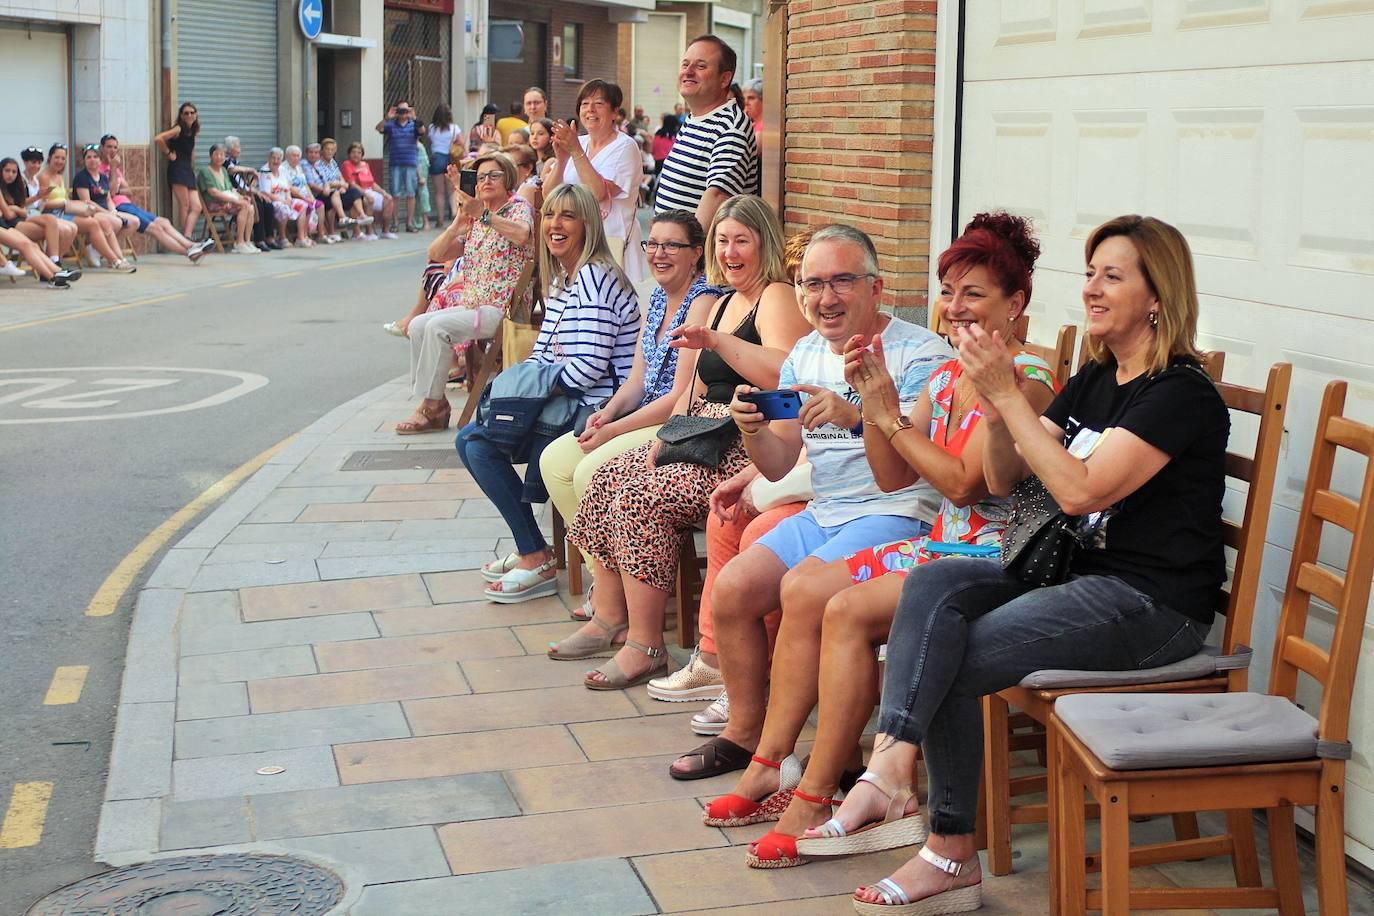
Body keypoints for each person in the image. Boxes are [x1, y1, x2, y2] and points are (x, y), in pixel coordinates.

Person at [829, 215, 1227, 914]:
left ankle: (943, 843)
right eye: (1090, 274)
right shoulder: (1098, 380)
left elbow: (1079, 491)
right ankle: (898, 766)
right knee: (935, 582)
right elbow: (1009, 480)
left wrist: (1009, 394)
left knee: (956, 647)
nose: (1092, 291)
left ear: (1158, 295)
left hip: (1153, 604)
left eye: (1112, 275)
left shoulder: (1179, 393)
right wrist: (993, 408)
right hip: (1077, 578)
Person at [718, 214, 1059, 871]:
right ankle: (777, 765)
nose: (955, 309)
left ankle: (816, 793)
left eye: (974, 294)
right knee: (812, 596)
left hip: (995, 557)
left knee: (837, 604)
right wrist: (882, 413)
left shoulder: (1029, 376)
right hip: (942, 547)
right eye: (949, 292)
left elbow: (964, 485)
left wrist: (876, 414)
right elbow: (892, 469)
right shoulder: (943, 378)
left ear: (1016, 305)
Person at [670, 225, 955, 791]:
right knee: (731, 590)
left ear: (877, 288)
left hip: (898, 512)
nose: (826, 298)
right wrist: (751, 432)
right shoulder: (804, 353)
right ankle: (746, 732)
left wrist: (860, 414)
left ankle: (803, 757)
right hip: (826, 512)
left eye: (842, 281)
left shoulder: (920, 352)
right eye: (812, 284)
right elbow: (779, 463)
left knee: (804, 586)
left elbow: (924, 463)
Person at [560, 195, 811, 688]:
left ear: (765, 243)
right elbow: (691, 389)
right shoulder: (719, 303)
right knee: (609, 477)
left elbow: (787, 373)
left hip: (746, 440)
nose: (731, 250)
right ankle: (612, 617)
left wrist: (721, 344)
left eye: (742, 240)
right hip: (699, 434)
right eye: (723, 240)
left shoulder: (775, 296)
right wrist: (666, 438)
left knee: (638, 497)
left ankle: (646, 647)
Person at [643, 227, 814, 713]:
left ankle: (754, 684)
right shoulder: (813, 347)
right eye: (807, 284)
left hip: (837, 493)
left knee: (756, 528)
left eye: (831, 284)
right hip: (767, 455)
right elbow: (790, 433)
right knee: (726, 509)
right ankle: (720, 665)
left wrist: (759, 478)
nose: (814, 298)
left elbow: (847, 450)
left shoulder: (873, 351)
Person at [458, 183, 640, 605]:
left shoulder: (596, 278)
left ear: (588, 225)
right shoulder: (563, 279)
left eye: (568, 216)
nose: (555, 225)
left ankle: (535, 555)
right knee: (471, 439)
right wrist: (526, 388)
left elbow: (588, 369)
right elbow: (543, 353)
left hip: (597, 406)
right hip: (564, 401)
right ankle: (533, 548)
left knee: (479, 445)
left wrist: (530, 393)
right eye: (550, 215)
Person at [540, 210, 721, 576]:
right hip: (641, 415)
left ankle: (623, 584)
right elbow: (637, 381)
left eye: (672, 245)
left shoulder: (703, 302)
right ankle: (606, 579)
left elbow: (679, 397)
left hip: (677, 423)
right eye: (652, 244)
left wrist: (613, 430)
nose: (659, 253)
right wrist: (608, 412)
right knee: (554, 461)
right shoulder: (657, 298)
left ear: (696, 253)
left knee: (588, 470)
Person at [394, 153, 535, 435]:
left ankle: (431, 407)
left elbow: (521, 235)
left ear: (507, 178)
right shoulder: (475, 218)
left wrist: (482, 214)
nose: (486, 182)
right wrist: (457, 224)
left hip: (503, 308)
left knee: (436, 326)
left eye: (494, 175)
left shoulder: (517, 207)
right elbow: (435, 254)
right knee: (420, 324)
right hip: (472, 305)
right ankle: (434, 402)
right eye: (480, 177)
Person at [545, 79, 647, 282]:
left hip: (609, 245)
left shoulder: (625, 147)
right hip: (574, 244)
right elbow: (549, 195)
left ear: (615, 112)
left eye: (599, 104)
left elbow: (598, 193)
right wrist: (562, 160)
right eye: (584, 104)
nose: (590, 109)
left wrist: (574, 151)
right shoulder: (579, 142)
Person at [654, 36, 758, 230]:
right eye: (685, 64)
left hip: (694, 256)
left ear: (724, 78)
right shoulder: (693, 120)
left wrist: (688, 253)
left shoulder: (731, 126)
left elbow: (718, 196)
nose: (688, 71)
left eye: (700, 66)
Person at [76, 143, 212, 262]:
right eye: (108, 147)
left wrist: (117, 186)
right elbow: (110, 193)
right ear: (103, 148)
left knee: (164, 222)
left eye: (115, 147)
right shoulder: (101, 170)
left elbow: (128, 190)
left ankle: (190, 245)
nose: (112, 150)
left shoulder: (112, 170)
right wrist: (113, 175)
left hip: (124, 204)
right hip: (118, 206)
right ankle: (189, 252)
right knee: (155, 228)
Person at [38, 144, 132, 272]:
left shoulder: (60, 176)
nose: (60, 161)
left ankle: (115, 258)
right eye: (57, 158)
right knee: (95, 223)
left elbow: (108, 198)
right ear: (49, 158)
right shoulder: (44, 177)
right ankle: (114, 260)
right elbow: (43, 204)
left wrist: (71, 205)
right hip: (52, 214)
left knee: (95, 223)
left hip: (64, 212)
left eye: (63, 158)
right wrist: (64, 203)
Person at [1, 153, 76, 263]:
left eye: (13, 172)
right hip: (11, 224)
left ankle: (54, 260)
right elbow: (8, 214)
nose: (10, 175)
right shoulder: (22, 182)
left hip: (26, 215)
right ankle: (52, 264)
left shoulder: (17, 186)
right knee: (57, 229)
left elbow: (21, 208)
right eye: (7, 171)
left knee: (51, 220)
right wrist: (17, 209)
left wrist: (16, 208)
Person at [155, 101, 203, 239]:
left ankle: (187, 234)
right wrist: (169, 153)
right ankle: (185, 237)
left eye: (192, 113)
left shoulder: (193, 130)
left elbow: (191, 150)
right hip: (177, 168)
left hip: (187, 169)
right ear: (181, 115)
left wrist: (193, 166)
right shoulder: (178, 129)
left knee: (196, 206)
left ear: (196, 115)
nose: (189, 115)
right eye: (186, 113)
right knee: (185, 204)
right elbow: (159, 138)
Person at [197, 144, 258, 254]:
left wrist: (241, 196)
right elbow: (213, 192)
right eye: (217, 154)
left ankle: (247, 241)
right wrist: (236, 201)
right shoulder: (205, 171)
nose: (219, 157)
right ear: (211, 156)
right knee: (243, 206)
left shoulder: (224, 171)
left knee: (250, 207)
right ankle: (238, 243)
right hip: (214, 202)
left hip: (227, 200)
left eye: (222, 155)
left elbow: (230, 189)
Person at [376, 101, 425, 234]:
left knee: (410, 194)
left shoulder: (414, 125)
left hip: (410, 162)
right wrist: (388, 117)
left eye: (405, 110)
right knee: (395, 194)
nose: (403, 114)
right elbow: (379, 128)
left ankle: (409, 223)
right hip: (395, 163)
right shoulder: (391, 125)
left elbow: (422, 131)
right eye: (400, 111)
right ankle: (395, 222)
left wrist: (415, 118)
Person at [224, 136, 279, 250]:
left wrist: (253, 184)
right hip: (235, 193)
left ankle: (269, 237)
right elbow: (232, 170)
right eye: (237, 146)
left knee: (267, 204)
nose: (240, 149)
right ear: (230, 149)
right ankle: (259, 239)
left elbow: (243, 182)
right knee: (258, 205)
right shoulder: (226, 160)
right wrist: (250, 170)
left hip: (244, 191)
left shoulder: (236, 162)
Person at [302, 142, 357, 243]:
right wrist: (325, 189)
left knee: (351, 194)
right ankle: (342, 218)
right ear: (306, 153)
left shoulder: (318, 165)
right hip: (315, 194)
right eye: (311, 152)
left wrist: (328, 187)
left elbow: (325, 181)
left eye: (315, 153)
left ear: (319, 154)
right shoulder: (304, 164)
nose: (313, 155)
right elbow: (310, 184)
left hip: (326, 192)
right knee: (334, 195)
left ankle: (333, 232)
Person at [319, 138, 373, 240]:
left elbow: (342, 180)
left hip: (338, 192)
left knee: (354, 193)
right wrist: (340, 185)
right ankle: (333, 231)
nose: (330, 152)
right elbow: (325, 182)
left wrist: (342, 186)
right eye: (327, 149)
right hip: (326, 194)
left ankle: (360, 220)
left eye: (332, 149)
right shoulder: (318, 164)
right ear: (322, 150)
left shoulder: (333, 163)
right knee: (333, 198)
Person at [259, 147, 311, 248]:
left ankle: (301, 238)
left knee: (303, 205)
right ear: (269, 158)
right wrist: (283, 201)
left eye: (278, 159)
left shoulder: (282, 170)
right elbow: (266, 192)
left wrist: (288, 198)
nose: (276, 161)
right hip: (273, 200)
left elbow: (288, 187)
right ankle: (282, 237)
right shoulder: (265, 171)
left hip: (285, 198)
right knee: (284, 208)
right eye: (273, 158)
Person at [0, 224, 82, 287]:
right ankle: (52, 277)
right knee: (25, 246)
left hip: (6, 225)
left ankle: (57, 271)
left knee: (32, 245)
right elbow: (8, 213)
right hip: (9, 223)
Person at [342, 141, 394, 239]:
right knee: (370, 200)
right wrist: (366, 194)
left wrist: (384, 192)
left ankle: (386, 231)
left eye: (359, 152)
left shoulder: (365, 165)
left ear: (362, 155)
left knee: (389, 199)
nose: (356, 155)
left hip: (369, 190)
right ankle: (369, 232)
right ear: (349, 154)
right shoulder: (347, 164)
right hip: (356, 193)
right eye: (353, 152)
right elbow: (352, 184)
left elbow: (372, 183)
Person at [428, 104, 459, 223]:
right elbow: (460, 142)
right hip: (449, 159)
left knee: (439, 192)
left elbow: (431, 142)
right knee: (451, 191)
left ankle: (440, 218)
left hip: (436, 159)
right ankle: (454, 214)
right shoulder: (454, 128)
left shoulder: (432, 128)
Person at [501, 143, 542, 213]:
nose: (504, 171)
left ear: (528, 168)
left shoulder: (529, 187)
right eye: (501, 167)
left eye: (510, 166)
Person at [413, 139, 432, 231]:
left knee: (422, 195)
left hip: (421, 174)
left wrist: (420, 176)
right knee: (415, 196)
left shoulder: (418, 146)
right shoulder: (416, 146)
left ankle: (425, 220)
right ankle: (418, 221)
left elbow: (419, 162)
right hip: (416, 173)